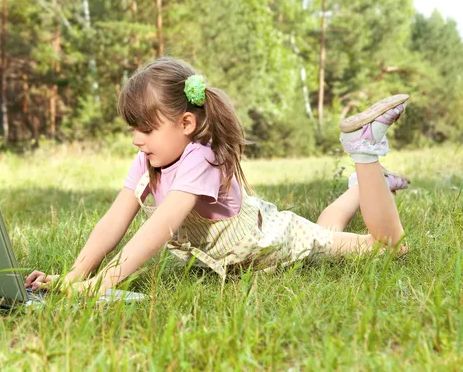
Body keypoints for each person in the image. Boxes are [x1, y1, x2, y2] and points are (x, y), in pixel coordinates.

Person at [25, 57, 409, 296]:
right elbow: (114, 220)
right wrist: (74, 276)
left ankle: (364, 153)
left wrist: (104, 281)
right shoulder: (149, 161)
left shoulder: (200, 159)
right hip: (260, 242)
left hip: (274, 239)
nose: (135, 139)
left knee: (386, 248)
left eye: (145, 128)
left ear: (186, 122)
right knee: (328, 231)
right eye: (132, 128)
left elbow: (158, 228)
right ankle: (362, 189)